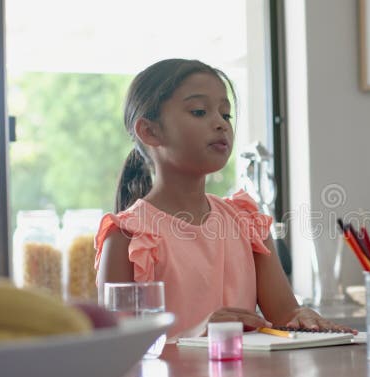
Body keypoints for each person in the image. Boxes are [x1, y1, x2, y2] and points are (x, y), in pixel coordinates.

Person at [95, 58, 353, 340]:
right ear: (149, 131)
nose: (220, 124)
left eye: (226, 114)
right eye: (199, 111)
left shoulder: (246, 222)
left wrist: (301, 317)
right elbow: (119, 354)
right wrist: (195, 335)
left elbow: (285, 316)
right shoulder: (126, 237)